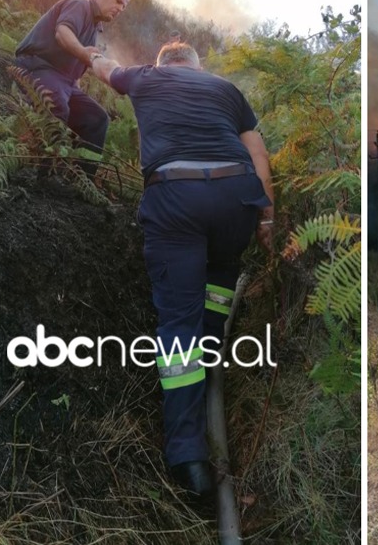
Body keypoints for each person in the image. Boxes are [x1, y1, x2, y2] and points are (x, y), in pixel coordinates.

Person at [88, 41, 274, 499]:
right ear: (197, 66)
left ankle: (189, 457)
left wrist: (90, 51)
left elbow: (104, 69)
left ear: (162, 66)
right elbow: (259, 155)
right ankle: (213, 350)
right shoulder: (225, 87)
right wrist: (267, 218)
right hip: (237, 196)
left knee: (177, 325)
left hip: (176, 196)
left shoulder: (145, 78)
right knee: (223, 268)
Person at [13, 0, 131, 172]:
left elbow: (74, 74)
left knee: (98, 119)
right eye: (118, 1)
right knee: (57, 104)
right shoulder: (80, 4)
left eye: (124, 7)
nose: (120, 8)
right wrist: (85, 53)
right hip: (37, 65)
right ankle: (40, 172)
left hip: (64, 81)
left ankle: (83, 178)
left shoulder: (95, 28)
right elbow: (63, 32)